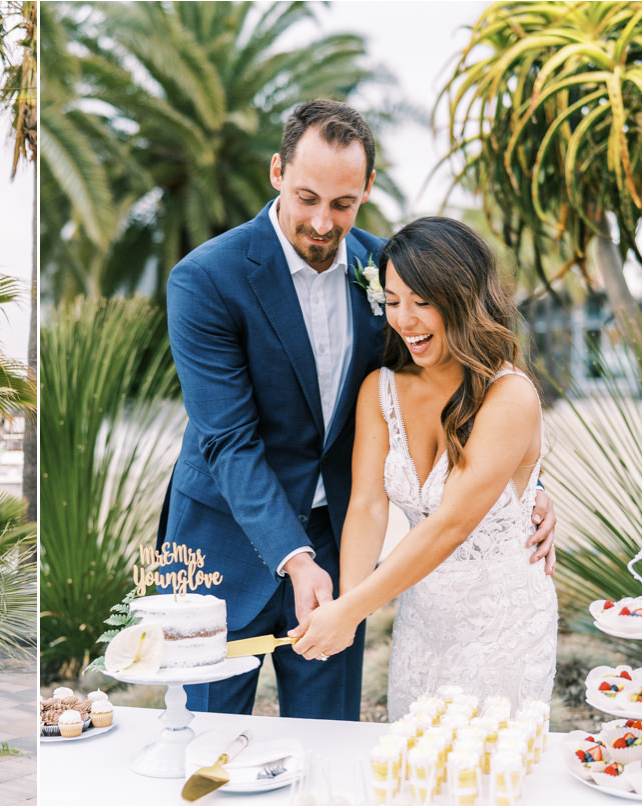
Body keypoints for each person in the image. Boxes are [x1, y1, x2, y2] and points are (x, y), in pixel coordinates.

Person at [161, 99, 556, 720]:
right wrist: (293, 558)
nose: (322, 222)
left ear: (368, 189)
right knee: (206, 733)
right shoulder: (205, 280)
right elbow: (228, 440)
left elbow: (471, 373)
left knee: (331, 736)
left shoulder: (393, 274)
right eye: (307, 197)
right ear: (276, 173)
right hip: (224, 540)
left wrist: (525, 485)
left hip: (342, 535)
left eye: (342, 204)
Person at [287, 217, 558, 717]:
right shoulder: (381, 389)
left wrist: (353, 609)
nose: (404, 320)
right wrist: (346, 605)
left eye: (422, 301)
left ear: (462, 298)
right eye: (392, 302)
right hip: (422, 621)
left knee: (491, 774)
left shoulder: (510, 395)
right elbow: (367, 505)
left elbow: (450, 525)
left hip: (503, 625)